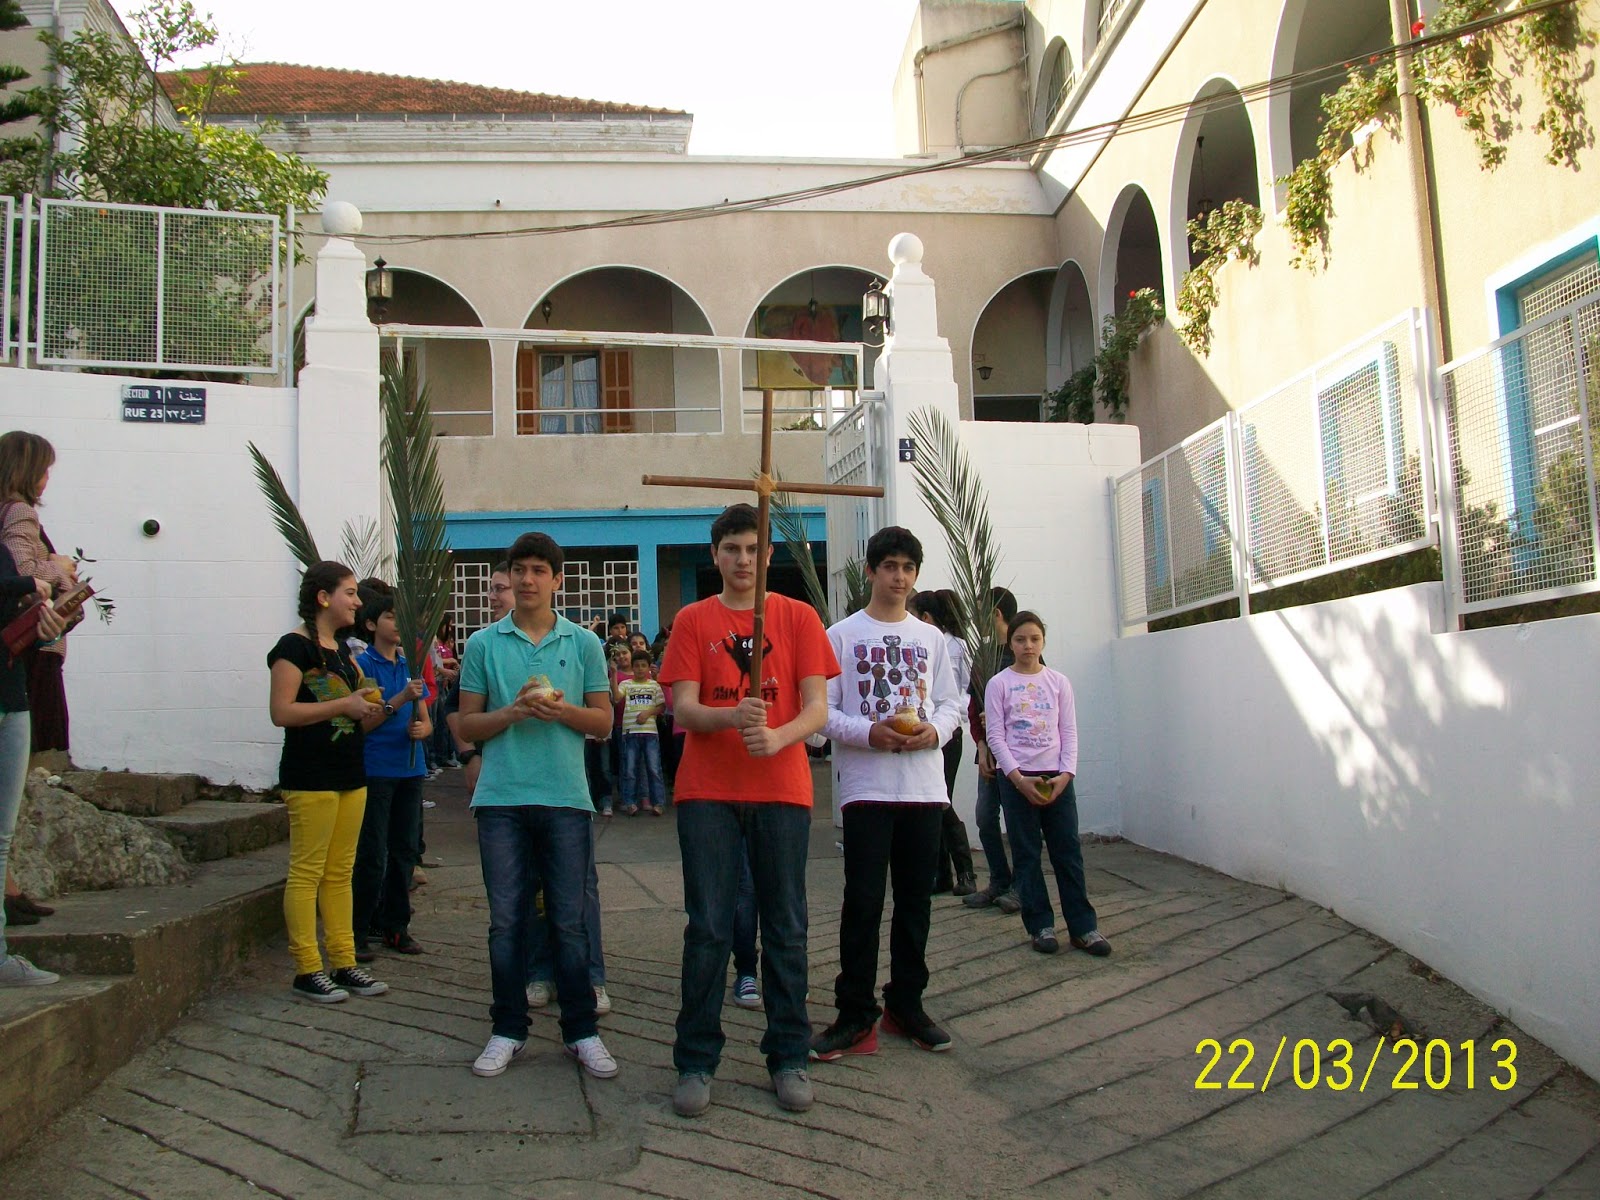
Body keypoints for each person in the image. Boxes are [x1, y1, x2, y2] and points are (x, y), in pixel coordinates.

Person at [658, 502, 839, 1118]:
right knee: (707, 927)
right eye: (729, 548)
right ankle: (696, 1058)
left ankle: (789, 1053)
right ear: (714, 556)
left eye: (751, 549)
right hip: (707, 792)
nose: (741, 559)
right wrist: (731, 717)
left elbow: (816, 707)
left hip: (782, 791)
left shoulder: (798, 617)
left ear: (768, 556)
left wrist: (780, 736)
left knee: (786, 926)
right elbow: (682, 709)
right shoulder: (691, 619)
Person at [457, 532, 619, 1081]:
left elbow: (603, 723)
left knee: (570, 923)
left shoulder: (583, 644)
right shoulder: (483, 644)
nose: (528, 580)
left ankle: (581, 1032)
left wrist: (561, 711)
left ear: (557, 579)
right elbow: (466, 724)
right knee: (507, 922)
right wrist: (514, 713)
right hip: (501, 799)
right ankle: (507, 1029)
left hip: (566, 799)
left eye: (538, 571)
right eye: (519, 569)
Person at [810, 527, 964, 1061]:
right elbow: (823, 712)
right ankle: (855, 1014)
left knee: (916, 902)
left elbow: (951, 702)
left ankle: (907, 1004)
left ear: (916, 575)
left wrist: (936, 732)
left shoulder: (932, 639)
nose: (899, 577)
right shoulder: (841, 635)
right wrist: (868, 732)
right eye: (890, 566)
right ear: (872, 571)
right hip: (866, 789)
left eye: (908, 568)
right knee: (863, 903)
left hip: (924, 789)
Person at [267, 561, 390, 1003]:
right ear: (324, 597)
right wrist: (343, 708)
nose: (358, 602)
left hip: (350, 772)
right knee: (307, 872)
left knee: (340, 872)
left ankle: (343, 961)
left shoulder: (340, 651)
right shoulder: (292, 648)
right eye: (350, 593)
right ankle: (306, 967)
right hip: (310, 774)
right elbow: (282, 712)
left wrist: (370, 705)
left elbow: (356, 700)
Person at [984, 611, 1110, 958]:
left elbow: (1068, 731)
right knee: (1026, 855)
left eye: (1034, 639)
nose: (1028, 646)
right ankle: (1040, 925)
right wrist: (1017, 779)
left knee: (1067, 852)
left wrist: (1066, 775)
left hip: (1057, 779)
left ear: (1043, 642)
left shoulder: (1058, 682)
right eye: (1021, 639)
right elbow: (996, 736)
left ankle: (1083, 927)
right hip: (1018, 780)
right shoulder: (1000, 684)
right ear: (1010, 643)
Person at [352, 588, 433, 960]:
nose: (398, 625)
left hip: (410, 768)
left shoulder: (410, 665)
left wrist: (422, 729)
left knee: (404, 850)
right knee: (372, 852)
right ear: (371, 624)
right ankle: (358, 927)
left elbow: (426, 721)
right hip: (376, 768)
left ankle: (396, 925)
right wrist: (398, 700)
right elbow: (361, 725)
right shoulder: (363, 666)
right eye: (389, 617)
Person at [0, 560, 67, 986]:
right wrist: (35, 580)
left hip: (11, 695)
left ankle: (1, 959)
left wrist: (44, 622)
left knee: (2, 837)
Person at [0, 431, 76, 758]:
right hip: (36, 643)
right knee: (46, 748)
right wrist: (59, 568)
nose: (46, 480)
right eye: (44, 471)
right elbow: (22, 573)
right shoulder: (20, 511)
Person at [910, 589, 978, 897]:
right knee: (929, 804)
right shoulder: (923, 644)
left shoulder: (956, 647)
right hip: (923, 731)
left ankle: (965, 871)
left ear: (927, 617)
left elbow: (963, 691)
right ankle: (942, 875)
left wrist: (945, 721)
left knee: (941, 802)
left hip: (946, 733)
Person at [963, 586, 1022, 915]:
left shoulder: (1022, 652)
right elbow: (974, 708)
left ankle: (1022, 886)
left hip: (1019, 755)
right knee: (986, 818)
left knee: (1019, 824)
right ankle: (999, 880)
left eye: (980, 612)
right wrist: (982, 746)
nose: (975, 620)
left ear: (996, 614)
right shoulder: (982, 656)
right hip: (988, 753)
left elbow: (1033, 704)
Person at [613, 649, 666, 816]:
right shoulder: (626, 684)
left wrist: (648, 713)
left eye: (644, 665)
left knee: (654, 768)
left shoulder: (654, 685)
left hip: (650, 733)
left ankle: (658, 802)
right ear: (632, 667)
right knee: (629, 769)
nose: (640, 669)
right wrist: (613, 675)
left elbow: (661, 706)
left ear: (648, 668)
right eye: (637, 666)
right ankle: (630, 802)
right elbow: (616, 698)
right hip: (629, 732)